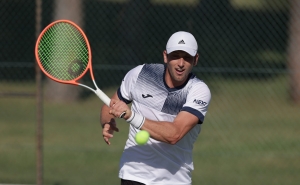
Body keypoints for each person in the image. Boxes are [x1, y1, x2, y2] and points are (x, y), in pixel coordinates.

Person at [100, 31, 211, 185]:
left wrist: (131, 116)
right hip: (134, 174)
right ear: (165, 56)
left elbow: (174, 134)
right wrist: (107, 121)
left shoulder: (198, 90)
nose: (180, 63)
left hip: (175, 179)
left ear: (195, 60)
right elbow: (111, 105)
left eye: (187, 58)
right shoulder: (140, 74)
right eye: (175, 56)